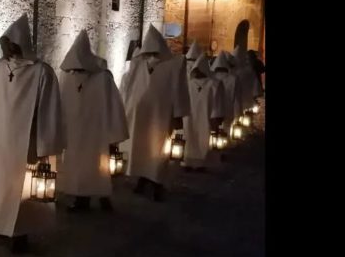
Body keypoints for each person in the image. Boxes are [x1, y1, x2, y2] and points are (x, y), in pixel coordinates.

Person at [0, 14, 64, 253]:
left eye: (13, 44)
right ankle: (0, 224)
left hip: (28, 143)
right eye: (6, 44)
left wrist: (45, 146)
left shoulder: (42, 72)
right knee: (3, 187)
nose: (9, 48)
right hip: (4, 144)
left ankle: (20, 233)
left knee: (25, 191)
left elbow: (49, 110)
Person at [58, 30, 128, 212]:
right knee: (78, 166)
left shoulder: (103, 79)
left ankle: (102, 197)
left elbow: (113, 105)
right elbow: (62, 105)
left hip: (96, 132)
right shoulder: (67, 79)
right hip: (75, 133)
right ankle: (82, 199)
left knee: (98, 165)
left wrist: (114, 135)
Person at [120, 24, 190, 201]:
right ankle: (143, 179)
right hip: (141, 114)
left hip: (161, 113)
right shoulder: (138, 64)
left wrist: (178, 115)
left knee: (159, 149)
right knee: (141, 147)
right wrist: (126, 108)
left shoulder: (174, 65)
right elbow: (129, 87)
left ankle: (158, 182)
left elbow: (179, 89)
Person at [183, 55, 225, 171]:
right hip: (190, 116)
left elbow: (218, 102)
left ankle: (201, 163)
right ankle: (188, 161)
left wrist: (216, 117)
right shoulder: (189, 84)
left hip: (206, 116)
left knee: (204, 139)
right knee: (190, 137)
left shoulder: (214, 84)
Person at [211, 52, 242, 140]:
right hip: (228, 109)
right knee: (225, 133)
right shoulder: (234, 78)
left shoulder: (211, 78)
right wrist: (238, 115)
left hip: (214, 111)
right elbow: (237, 99)